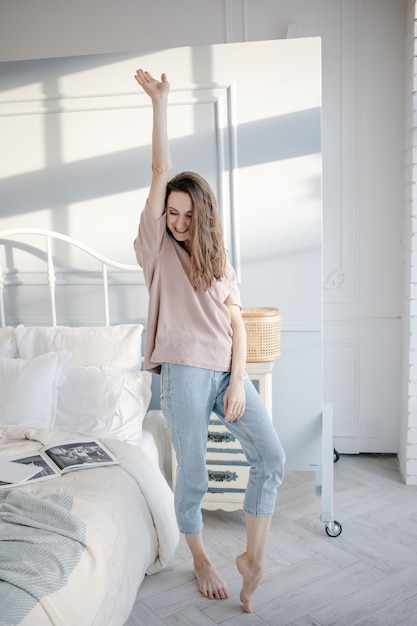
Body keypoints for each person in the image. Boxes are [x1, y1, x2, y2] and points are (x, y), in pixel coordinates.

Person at [133, 68, 285, 614]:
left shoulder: (218, 258)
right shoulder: (155, 249)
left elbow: (238, 323)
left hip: (226, 369)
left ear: (204, 216)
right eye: (171, 213)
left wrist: (239, 378)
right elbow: (159, 168)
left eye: (187, 215)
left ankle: (254, 560)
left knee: (272, 457)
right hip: (183, 370)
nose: (176, 222)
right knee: (192, 473)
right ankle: (199, 558)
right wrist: (161, 103)